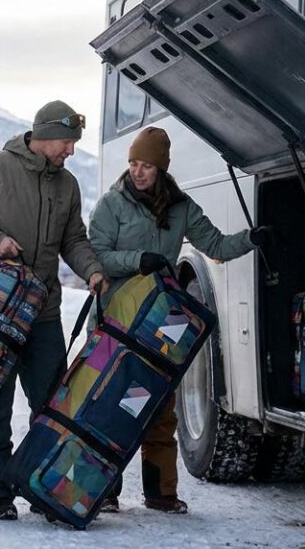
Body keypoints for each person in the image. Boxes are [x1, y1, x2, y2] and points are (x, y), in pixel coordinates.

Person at [0, 100, 107, 521]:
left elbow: (74, 240)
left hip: (43, 312)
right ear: (46, 135)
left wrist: (92, 271)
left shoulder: (67, 185)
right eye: (68, 142)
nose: (71, 151)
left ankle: (42, 484)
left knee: (52, 404)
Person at [88, 126, 271, 514]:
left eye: (146, 165)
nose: (137, 172)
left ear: (161, 168)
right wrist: (138, 260)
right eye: (133, 164)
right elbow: (97, 255)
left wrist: (252, 239)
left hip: (158, 324)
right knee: (108, 406)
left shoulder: (181, 207)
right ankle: (104, 492)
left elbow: (216, 245)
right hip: (117, 319)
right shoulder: (112, 204)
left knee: (158, 409)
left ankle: (161, 494)